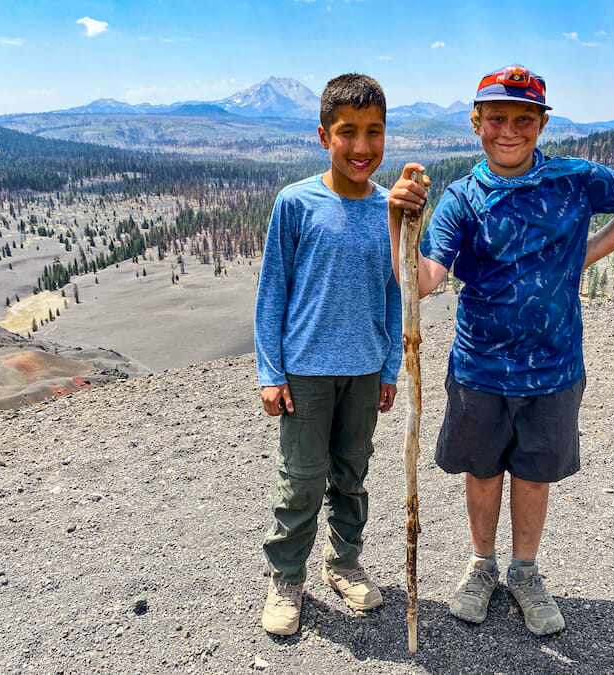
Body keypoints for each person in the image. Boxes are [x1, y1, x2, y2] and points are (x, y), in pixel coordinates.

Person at [388, 64, 614, 635]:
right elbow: (420, 281)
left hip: (555, 366)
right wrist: (398, 221)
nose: (508, 131)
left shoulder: (573, 180)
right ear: (476, 123)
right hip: (479, 368)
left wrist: (584, 255)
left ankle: (524, 571)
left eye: (522, 119)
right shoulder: (463, 199)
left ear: (541, 123)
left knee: (534, 475)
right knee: (483, 471)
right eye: (496, 119)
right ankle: (482, 566)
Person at [254, 73, 402, 636]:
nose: (361, 147)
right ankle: (287, 577)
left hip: (365, 370)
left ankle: (343, 564)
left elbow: (394, 292)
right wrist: (270, 371)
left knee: (351, 474)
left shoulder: (391, 208)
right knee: (302, 478)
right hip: (305, 372)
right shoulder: (295, 203)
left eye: (374, 132)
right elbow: (273, 292)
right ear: (324, 136)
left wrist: (388, 368)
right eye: (348, 133)